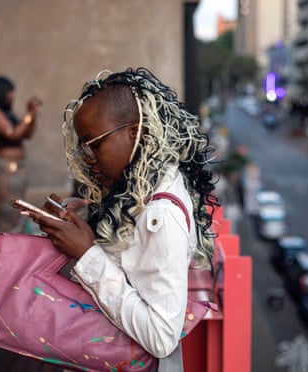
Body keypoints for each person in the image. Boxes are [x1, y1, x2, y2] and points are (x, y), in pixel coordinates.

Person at [28, 67, 220, 371]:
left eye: (95, 143)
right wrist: (84, 226)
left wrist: (87, 254)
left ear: (137, 133)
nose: (87, 158)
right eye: (82, 147)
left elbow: (161, 337)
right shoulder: (142, 187)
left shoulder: (161, 214)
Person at [0, 75, 40, 238]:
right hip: (4, 167)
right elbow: (12, 134)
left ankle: (13, 251)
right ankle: (4, 253)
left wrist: (32, 116)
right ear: (0, 92)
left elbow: (27, 133)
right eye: (9, 92)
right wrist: (28, 114)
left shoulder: (7, 113)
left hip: (16, 167)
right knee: (8, 212)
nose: (12, 95)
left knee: (17, 213)